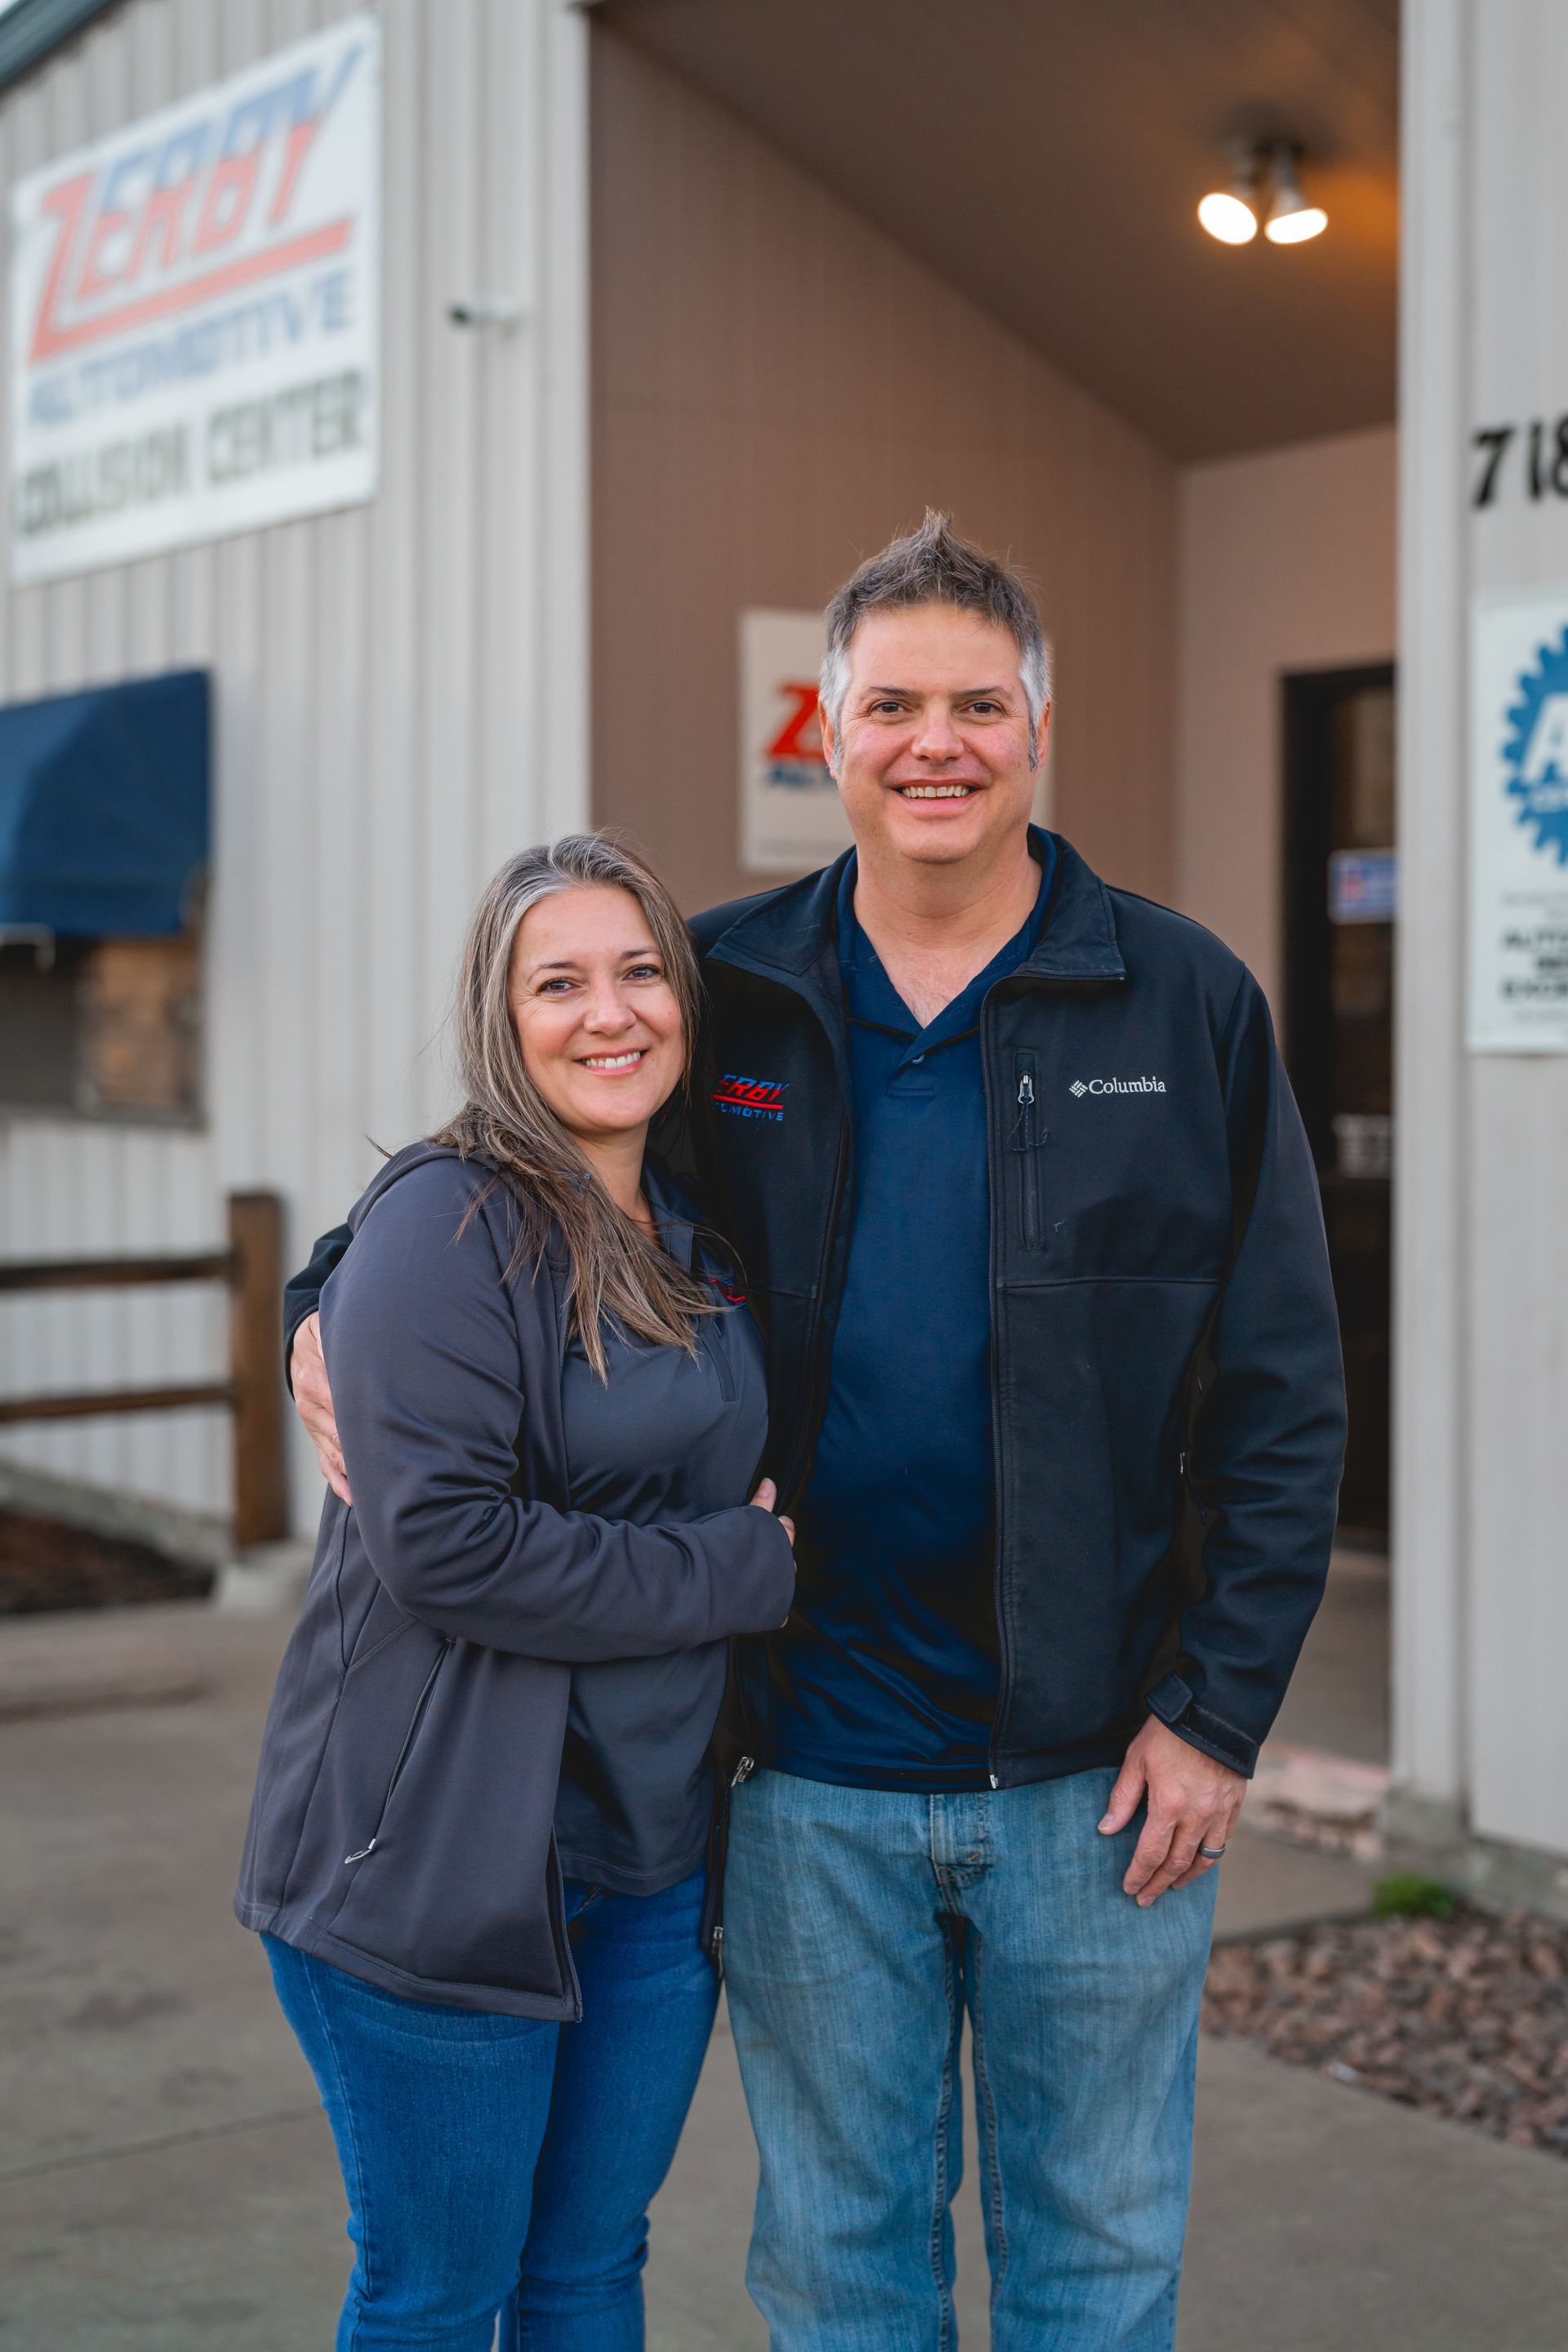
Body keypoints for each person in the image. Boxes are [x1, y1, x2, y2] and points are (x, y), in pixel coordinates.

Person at [287, 514, 1346, 2351]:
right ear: (827, 733)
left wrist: (1221, 1712)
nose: (936, 742)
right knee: (844, 2270)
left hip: (1098, 1786)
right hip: (796, 1785)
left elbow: (1282, 1395)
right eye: (892, 705)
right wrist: (318, 1296)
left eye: (979, 704)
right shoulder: (725, 994)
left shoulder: (1185, 1009)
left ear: (1038, 727)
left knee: (1100, 2271)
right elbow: (517, 1154)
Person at [235, 834, 795, 2352]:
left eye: (637, 973)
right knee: (438, 2294)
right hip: (440, 1870)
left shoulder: (689, 1226)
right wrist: (738, 1570)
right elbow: (450, 1551)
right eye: (560, 982)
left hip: (650, 1865)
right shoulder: (450, 1221)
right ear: (502, 1017)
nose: (608, 1013)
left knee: (587, 2270)